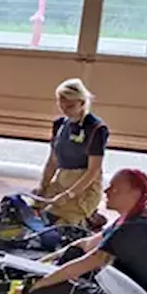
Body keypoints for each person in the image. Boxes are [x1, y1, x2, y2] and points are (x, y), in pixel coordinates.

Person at [15, 169, 147, 294]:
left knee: (55, 289)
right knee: (74, 254)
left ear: (134, 194)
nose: (106, 191)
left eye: (114, 189)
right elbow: (86, 245)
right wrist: (42, 262)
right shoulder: (143, 218)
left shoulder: (132, 230)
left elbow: (85, 263)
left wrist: (37, 285)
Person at [35, 79, 110, 227]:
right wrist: (43, 187)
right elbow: (53, 161)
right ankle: (88, 216)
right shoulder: (60, 125)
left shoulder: (95, 128)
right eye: (61, 104)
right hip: (62, 180)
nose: (65, 110)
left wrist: (69, 194)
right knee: (32, 211)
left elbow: (93, 170)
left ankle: (86, 217)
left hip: (84, 186)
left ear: (82, 103)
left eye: (70, 106)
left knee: (56, 223)